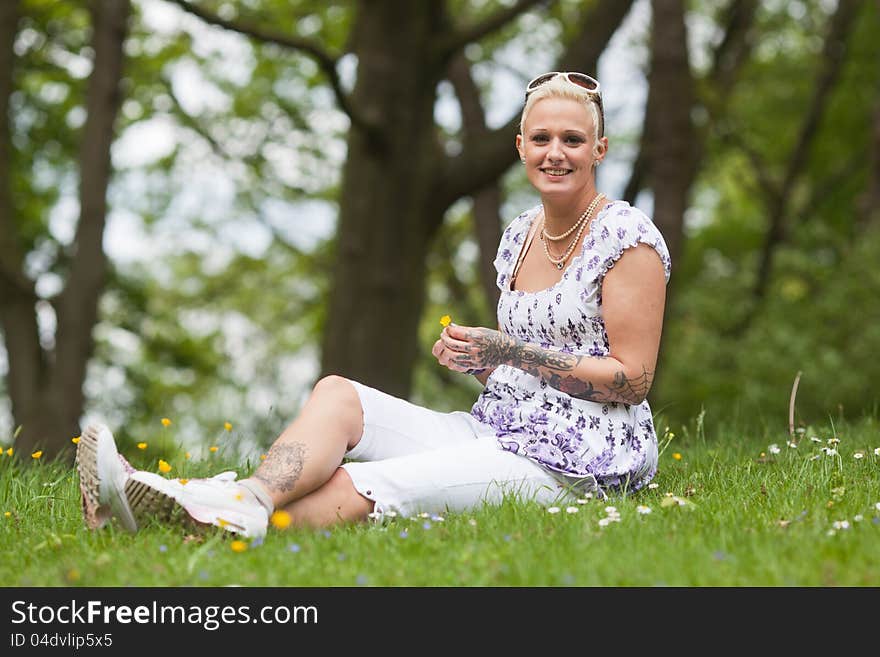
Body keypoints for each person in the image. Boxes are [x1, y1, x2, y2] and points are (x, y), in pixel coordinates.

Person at [76, 71, 671, 539]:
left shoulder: (627, 239)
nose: (555, 153)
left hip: (580, 461)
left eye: (572, 140)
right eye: (541, 139)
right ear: (520, 147)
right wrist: (483, 362)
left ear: (599, 148)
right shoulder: (519, 233)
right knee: (338, 393)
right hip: (499, 431)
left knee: (355, 486)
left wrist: (508, 349)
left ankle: (178, 511)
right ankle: (240, 502)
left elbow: (632, 381)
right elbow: (533, 369)